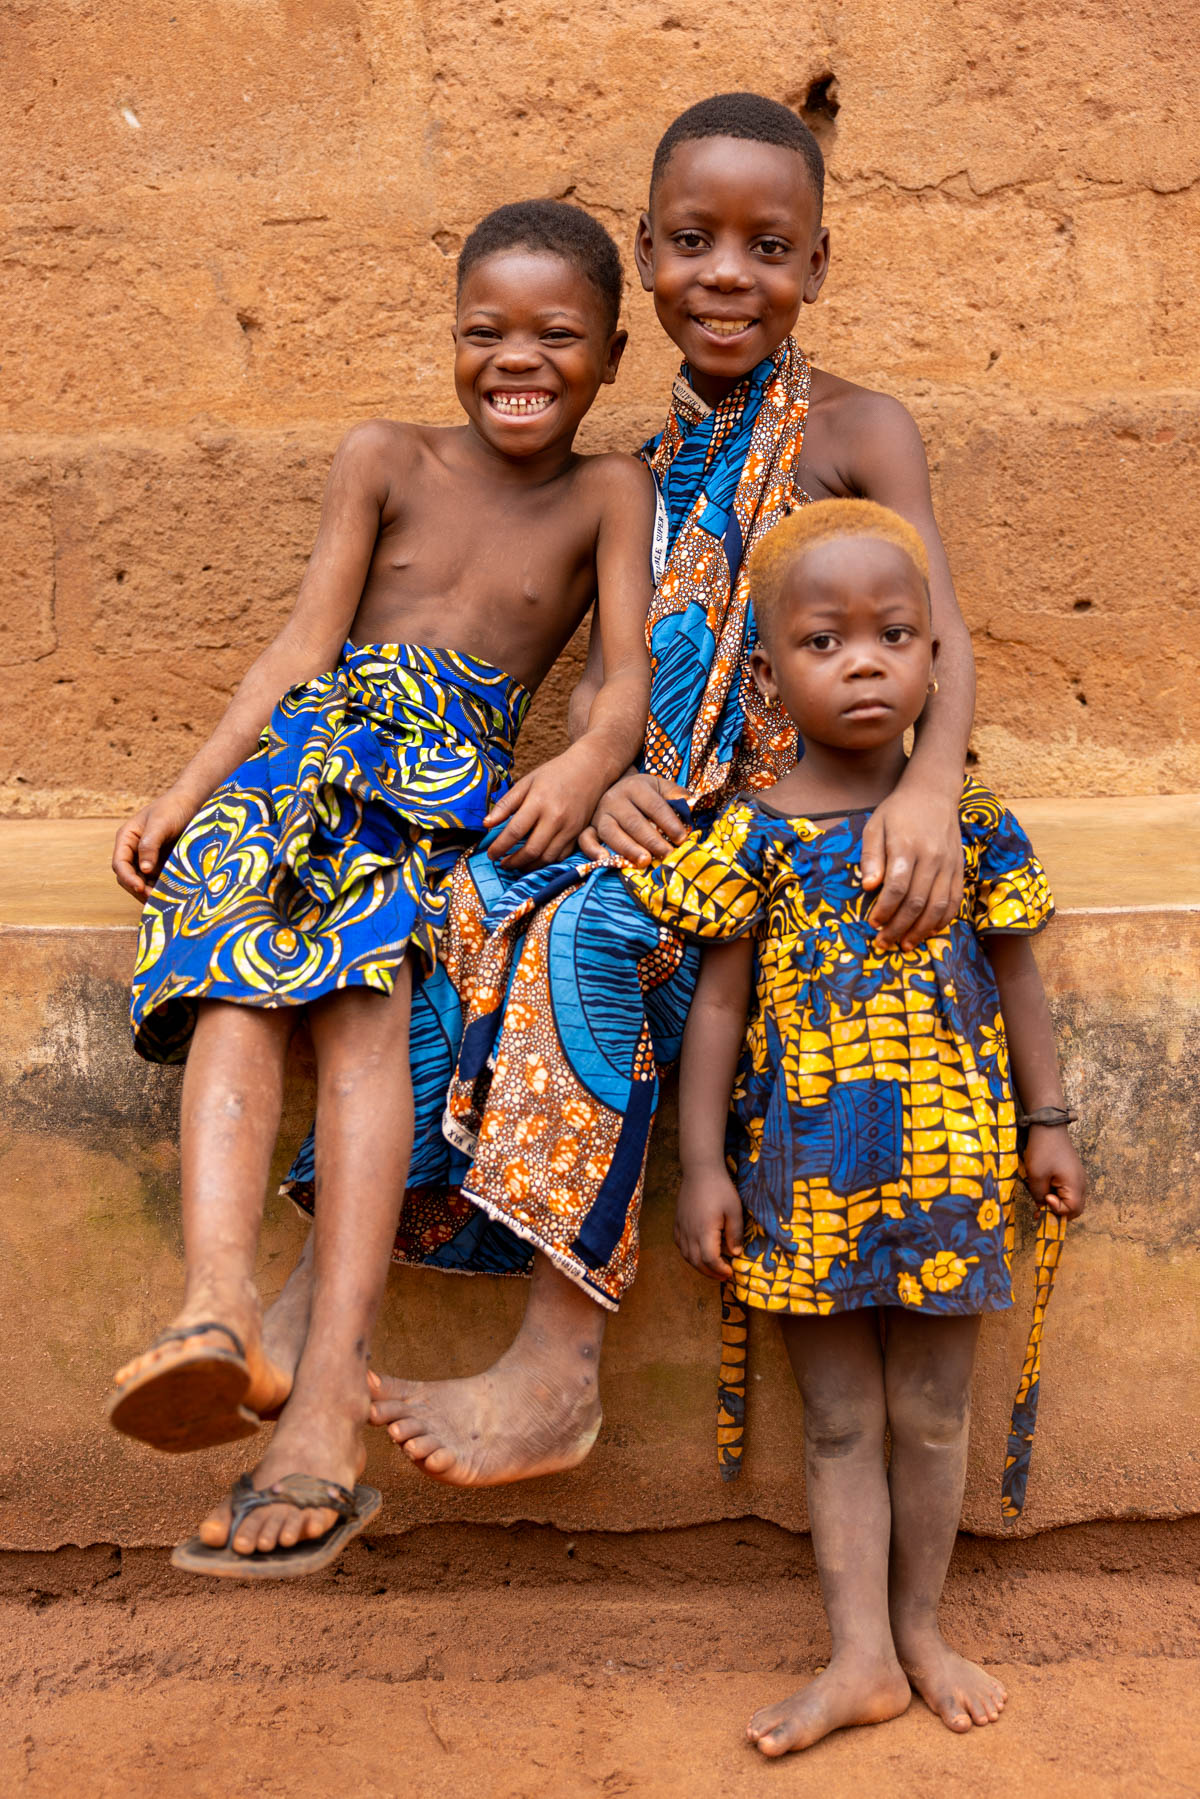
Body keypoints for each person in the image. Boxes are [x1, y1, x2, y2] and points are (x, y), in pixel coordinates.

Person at [280, 90, 980, 1486]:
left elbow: (942, 633)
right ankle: (322, 1287)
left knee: (598, 939)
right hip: (676, 824)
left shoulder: (858, 430)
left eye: (768, 247)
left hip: (808, 833)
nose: (728, 275)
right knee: (464, 896)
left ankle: (560, 1356)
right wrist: (604, 785)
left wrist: (927, 792)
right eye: (691, 242)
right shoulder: (645, 471)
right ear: (646, 259)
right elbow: (629, 691)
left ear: (818, 265)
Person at [105, 200, 655, 1576]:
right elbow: (299, 642)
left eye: (555, 336)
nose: (515, 359)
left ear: (610, 353)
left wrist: (588, 762)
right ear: (451, 338)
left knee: (361, 1010)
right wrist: (185, 789)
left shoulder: (609, 495)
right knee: (236, 988)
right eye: (486, 331)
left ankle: (327, 1395)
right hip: (302, 770)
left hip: (440, 794)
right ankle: (218, 1304)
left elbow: (622, 681)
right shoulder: (384, 456)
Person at [620, 498, 1085, 1755]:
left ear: (937, 655)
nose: (866, 660)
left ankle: (923, 1627)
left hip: (951, 1167)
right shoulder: (753, 834)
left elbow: (1021, 975)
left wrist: (1048, 1120)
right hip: (799, 1181)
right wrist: (704, 1166)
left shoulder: (973, 824)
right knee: (836, 1420)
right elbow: (713, 1005)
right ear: (768, 671)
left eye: (894, 634)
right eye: (826, 641)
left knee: (934, 1413)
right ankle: (860, 1655)